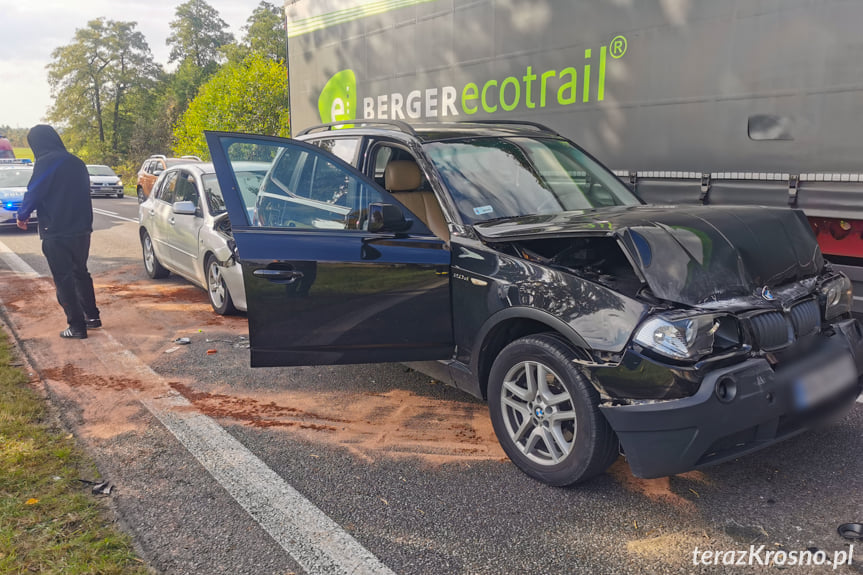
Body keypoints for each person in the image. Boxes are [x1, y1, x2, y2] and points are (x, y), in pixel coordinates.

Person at [16, 125, 100, 339]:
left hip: (56, 230)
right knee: (80, 271)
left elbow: (35, 191)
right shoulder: (77, 162)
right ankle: (92, 316)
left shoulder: (45, 162)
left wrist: (22, 214)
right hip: (82, 229)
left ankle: (77, 326)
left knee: (63, 278)